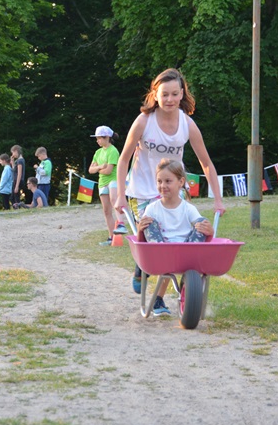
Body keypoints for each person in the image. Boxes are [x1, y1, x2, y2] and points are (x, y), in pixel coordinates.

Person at [114, 68, 224, 294]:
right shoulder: (144, 121)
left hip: (173, 189)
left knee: (176, 242)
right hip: (142, 190)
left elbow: (206, 163)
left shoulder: (187, 124)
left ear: (182, 94)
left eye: (174, 94)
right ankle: (142, 265)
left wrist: (218, 200)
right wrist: (120, 196)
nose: (170, 99)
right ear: (155, 95)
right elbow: (123, 159)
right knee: (153, 235)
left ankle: (163, 296)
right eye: (164, 94)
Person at [136, 159, 214, 315]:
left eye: (168, 181)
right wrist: (140, 230)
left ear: (181, 182)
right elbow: (142, 240)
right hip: (161, 252)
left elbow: (202, 229)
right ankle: (156, 294)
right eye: (159, 181)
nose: (163, 185)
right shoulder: (152, 209)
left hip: (187, 253)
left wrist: (209, 231)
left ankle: (184, 296)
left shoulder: (188, 208)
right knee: (148, 223)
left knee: (202, 223)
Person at [87, 125, 127, 246]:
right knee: (106, 211)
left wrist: (97, 169)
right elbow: (90, 170)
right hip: (102, 182)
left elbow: (109, 171)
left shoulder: (113, 151)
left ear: (107, 138)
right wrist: (100, 167)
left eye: (99, 138)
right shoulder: (98, 152)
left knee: (114, 200)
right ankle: (111, 237)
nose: (97, 141)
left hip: (113, 180)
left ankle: (121, 224)